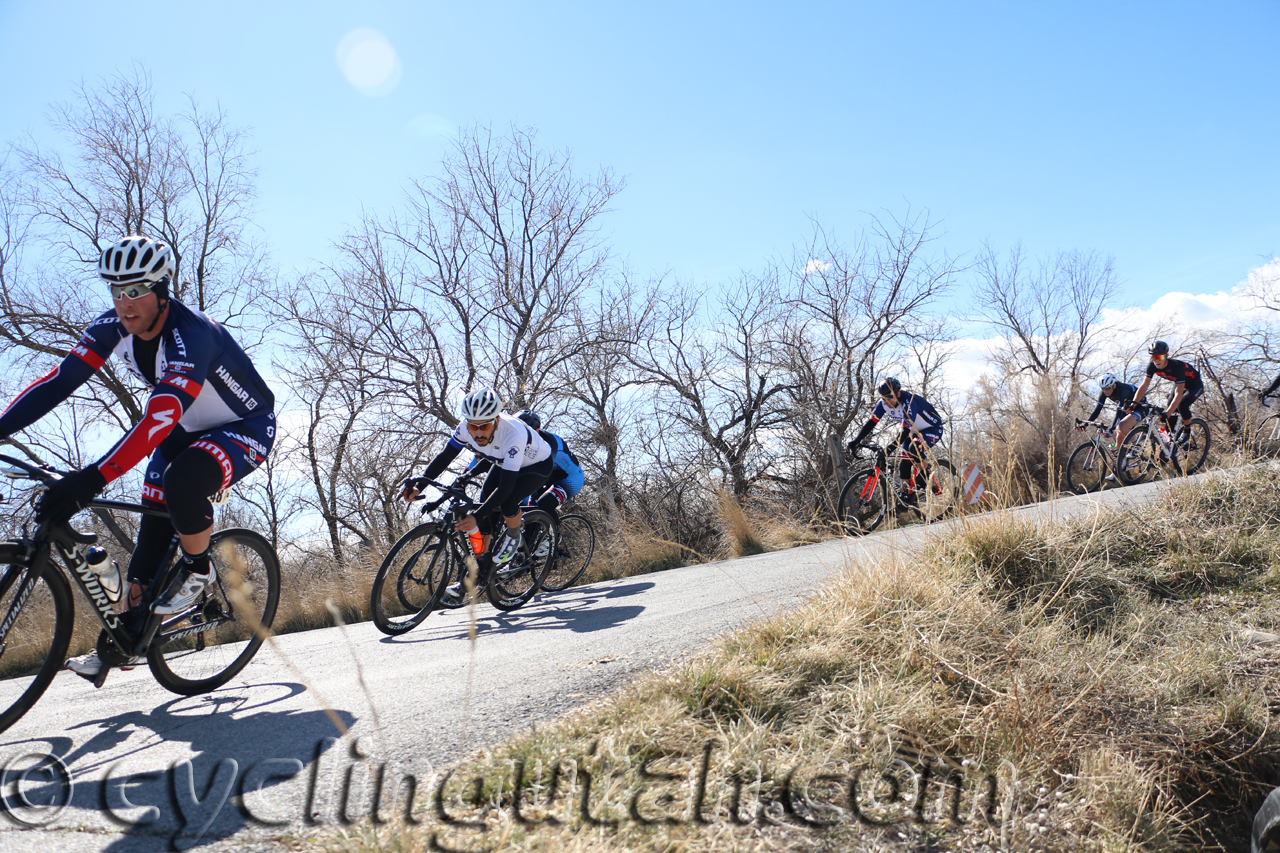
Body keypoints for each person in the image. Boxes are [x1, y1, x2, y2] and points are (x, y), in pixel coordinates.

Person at [0, 235, 276, 678]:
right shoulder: (110, 326)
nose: (124, 303)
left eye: (135, 291)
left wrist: (91, 479)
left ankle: (199, 569)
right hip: (181, 431)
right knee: (147, 543)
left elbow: (157, 419)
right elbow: (58, 383)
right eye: (115, 290)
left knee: (181, 482)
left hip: (243, 427)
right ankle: (125, 641)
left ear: (163, 290)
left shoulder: (192, 336)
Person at [402, 389, 554, 600]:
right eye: (474, 426)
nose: (479, 432)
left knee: (507, 501)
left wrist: (477, 515)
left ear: (497, 420)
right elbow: (445, 456)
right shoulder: (465, 428)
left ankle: (513, 535)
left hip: (536, 465)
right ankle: (482, 568)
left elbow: (505, 488)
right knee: (485, 506)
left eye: (485, 426)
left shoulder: (513, 433)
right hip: (502, 461)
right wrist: (419, 486)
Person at [846, 377, 944, 502]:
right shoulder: (883, 404)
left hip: (931, 429)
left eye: (889, 397)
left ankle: (926, 475)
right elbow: (871, 423)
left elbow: (904, 431)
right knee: (904, 464)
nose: (886, 401)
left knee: (914, 449)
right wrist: (856, 440)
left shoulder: (909, 402)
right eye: (883, 398)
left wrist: (889, 449)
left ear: (898, 393)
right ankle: (908, 497)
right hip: (912, 432)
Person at [513, 410, 585, 515]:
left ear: (536, 431)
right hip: (547, 474)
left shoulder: (548, 444)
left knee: (543, 504)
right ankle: (531, 530)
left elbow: (533, 473)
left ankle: (557, 529)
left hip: (570, 478)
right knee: (527, 510)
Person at [1128, 340, 1204, 432]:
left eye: (1160, 356)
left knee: (1181, 405)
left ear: (1166, 356)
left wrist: (1167, 414)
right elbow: (1144, 386)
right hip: (1179, 383)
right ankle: (1170, 435)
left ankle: (1187, 431)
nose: (1157, 360)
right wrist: (1133, 404)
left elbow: (1178, 394)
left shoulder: (1177, 367)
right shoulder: (1152, 366)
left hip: (1194, 384)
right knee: (1169, 405)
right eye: (1153, 357)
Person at [1078, 373, 1139, 481]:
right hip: (1125, 408)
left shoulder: (1123, 390)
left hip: (1138, 406)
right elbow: (1097, 410)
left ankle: (1136, 447)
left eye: (1107, 388)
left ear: (1114, 385)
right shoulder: (1104, 393)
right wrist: (1086, 423)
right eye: (1103, 388)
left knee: (1121, 427)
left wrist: (1111, 429)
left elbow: (1119, 413)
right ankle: (1120, 467)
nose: (1105, 391)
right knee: (1118, 440)